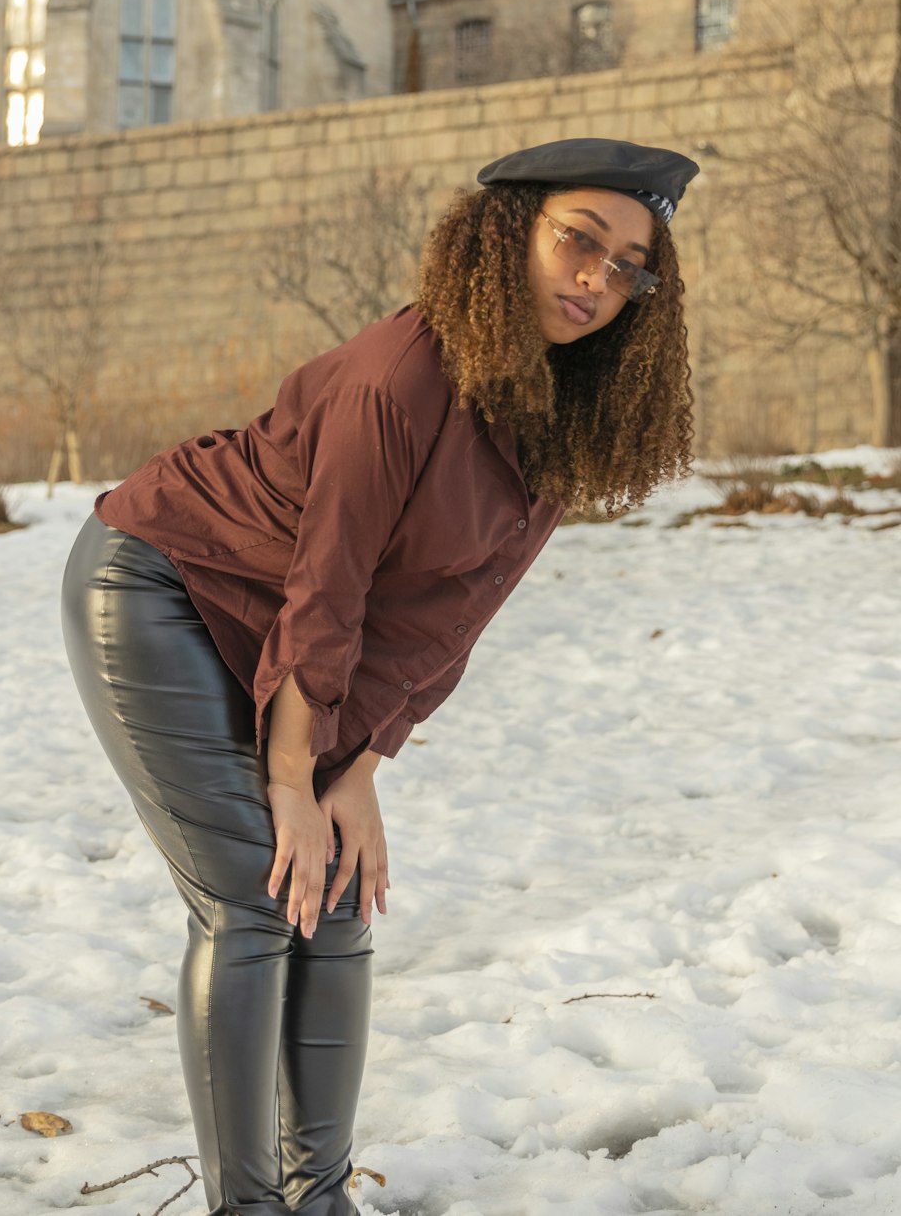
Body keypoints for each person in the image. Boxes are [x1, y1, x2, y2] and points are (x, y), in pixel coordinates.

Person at [60, 136, 699, 1216]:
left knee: (341, 900)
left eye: (629, 266)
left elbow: (444, 617)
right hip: (164, 583)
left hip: (296, 635)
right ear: (507, 237)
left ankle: (320, 1198)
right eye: (578, 241)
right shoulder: (400, 376)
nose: (598, 279)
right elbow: (333, 582)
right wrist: (292, 774)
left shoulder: (553, 413)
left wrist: (356, 767)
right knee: (256, 898)